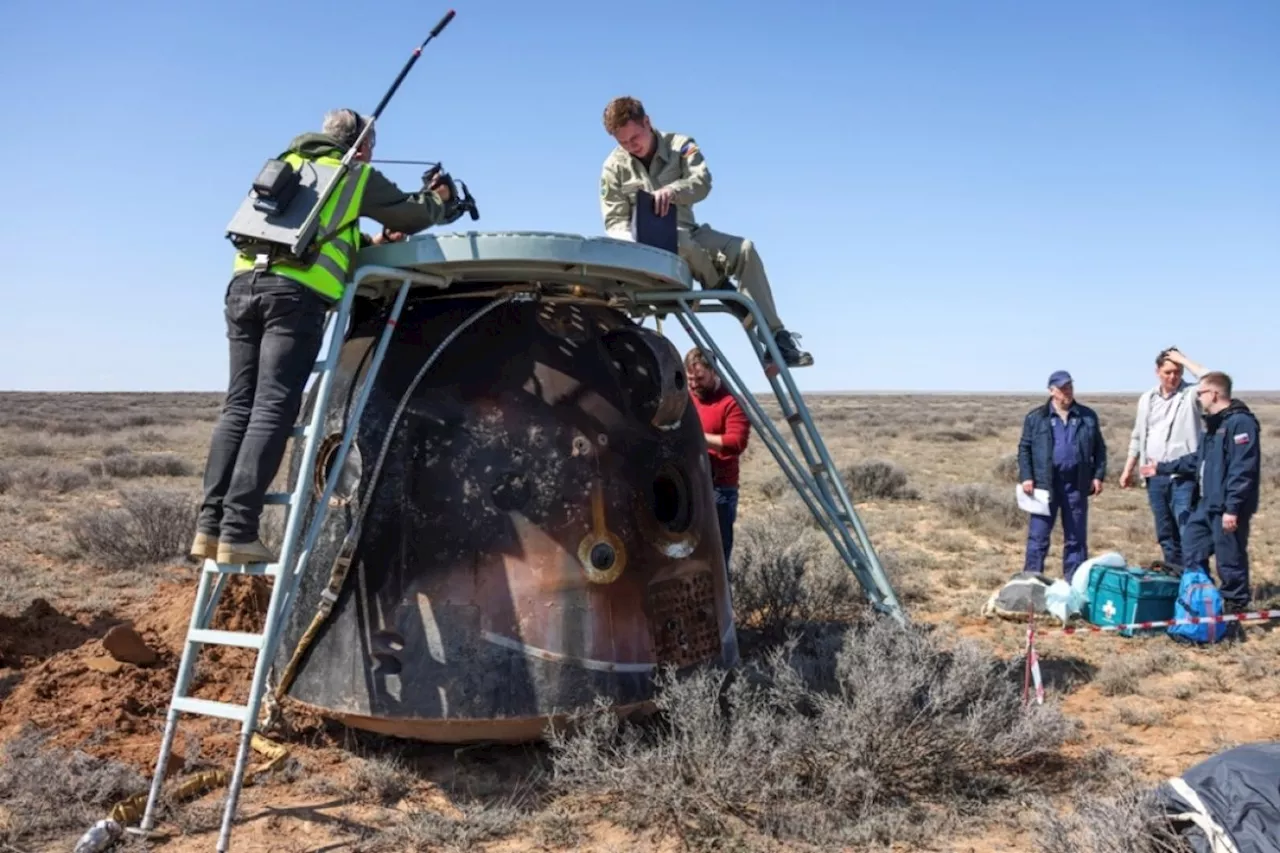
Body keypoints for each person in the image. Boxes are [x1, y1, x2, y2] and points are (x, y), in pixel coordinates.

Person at [191, 108, 456, 566]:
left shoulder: (288, 166)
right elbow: (414, 215)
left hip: (242, 289)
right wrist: (440, 198)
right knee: (274, 405)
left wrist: (367, 243)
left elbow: (315, 236)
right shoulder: (353, 172)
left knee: (239, 406)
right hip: (294, 301)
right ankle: (238, 530)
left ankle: (210, 526)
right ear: (364, 145)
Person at [598, 95, 813, 370]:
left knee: (744, 249)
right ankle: (721, 289)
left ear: (648, 123)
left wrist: (673, 192)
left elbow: (703, 183)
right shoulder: (613, 168)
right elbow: (615, 224)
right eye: (623, 142)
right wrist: (638, 239)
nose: (632, 147)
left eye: (635, 138)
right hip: (649, 252)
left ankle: (777, 339)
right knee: (677, 239)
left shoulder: (680, 146)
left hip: (692, 233)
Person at [1159, 371, 1260, 614]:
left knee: (1229, 557)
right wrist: (1161, 468)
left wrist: (1232, 508)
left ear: (1214, 394)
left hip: (1227, 506)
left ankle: (1235, 607)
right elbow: (1197, 461)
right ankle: (1200, 597)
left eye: (1201, 392)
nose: (1198, 397)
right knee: (1192, 545)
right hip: (1206, 503)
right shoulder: (1213, 425)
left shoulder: (1240, 423)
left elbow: (1242, 469)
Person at [1119, 346, 1210, 567]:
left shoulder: (1191, 395)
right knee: (1166, 535)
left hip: (1183, 476)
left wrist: (1185, 360)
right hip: (1154, 477)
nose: (1173, 377)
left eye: (1178, 371)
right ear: (1157, 371)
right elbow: (1139, 436)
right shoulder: (1147, 399)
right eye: (1168, 372)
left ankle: (1196, 583)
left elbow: (1211, 380)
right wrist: (1128, 469)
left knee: (1189, 531)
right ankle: (1175, 582)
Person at [1017, 370, 1107, 582]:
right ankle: (1031, 582)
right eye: (1062, 388)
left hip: (1076, 484)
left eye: (1069, 387)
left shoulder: (1087, 416)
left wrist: (1098, 475)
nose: (1067, 392)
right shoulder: (1036, 417)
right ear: (1051, 391)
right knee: (1038, 537)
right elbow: (1024, 449)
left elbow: (1099, 449)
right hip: (1044, 485)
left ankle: (1074, 584)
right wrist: (1027, 476)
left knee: (1076, 537)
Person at [685, 347, 750, 568]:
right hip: (688, 484)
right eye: (690, 379)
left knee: (716, 558)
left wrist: (697, 438)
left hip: (719, 489)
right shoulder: (686, 398)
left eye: (700, 378)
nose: (694, 385)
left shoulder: (732, 402)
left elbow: (736, 443)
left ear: (714, 372)